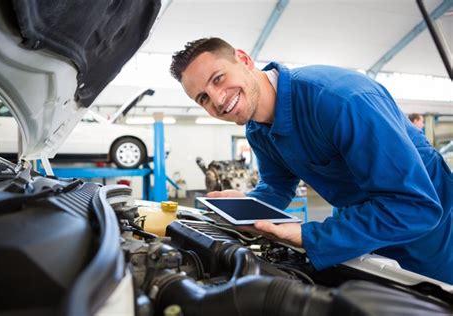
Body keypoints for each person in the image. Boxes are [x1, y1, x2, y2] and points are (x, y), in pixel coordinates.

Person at [170, 37, 453, 283]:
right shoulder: (257, 131)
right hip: (360, 220)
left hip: (427, 231)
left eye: (218, 79)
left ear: (244, 59)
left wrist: (310, 236)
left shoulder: (339, 100)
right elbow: (277, 187)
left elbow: (415, 207)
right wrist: (246, 206)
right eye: (203, 98)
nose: (217, 100)